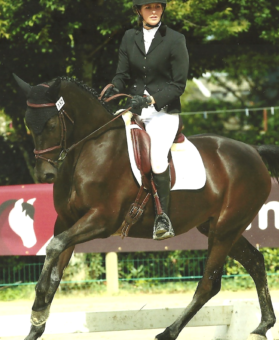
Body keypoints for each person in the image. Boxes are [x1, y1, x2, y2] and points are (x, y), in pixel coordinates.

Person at [103, 0, 188, 240]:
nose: (153, 12)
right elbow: (122, 75)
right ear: (138, 10)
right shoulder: (129, 38)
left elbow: (178, 85)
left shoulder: (175, 39)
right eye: (148, 8)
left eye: (158, 7)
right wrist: (113, 88)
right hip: (135, 109)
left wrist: (151, 101)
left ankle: (163, 217)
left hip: (164, 112)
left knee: (157, 159)